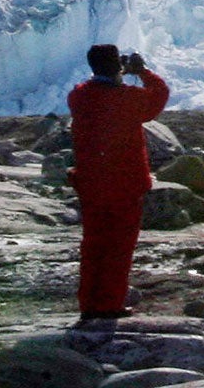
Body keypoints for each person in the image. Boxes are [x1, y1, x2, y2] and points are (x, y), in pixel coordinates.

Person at [68, 44, 171, 325]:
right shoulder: (127, 98)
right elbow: (159, 97)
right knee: (118, 246)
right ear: (118, 67)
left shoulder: (79, 96)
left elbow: (89, 91)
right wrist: (143, 72)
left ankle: (89, 304)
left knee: (93, 245)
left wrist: (119, 72)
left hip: (91, 183)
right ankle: (109, 304)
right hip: (124, 184)